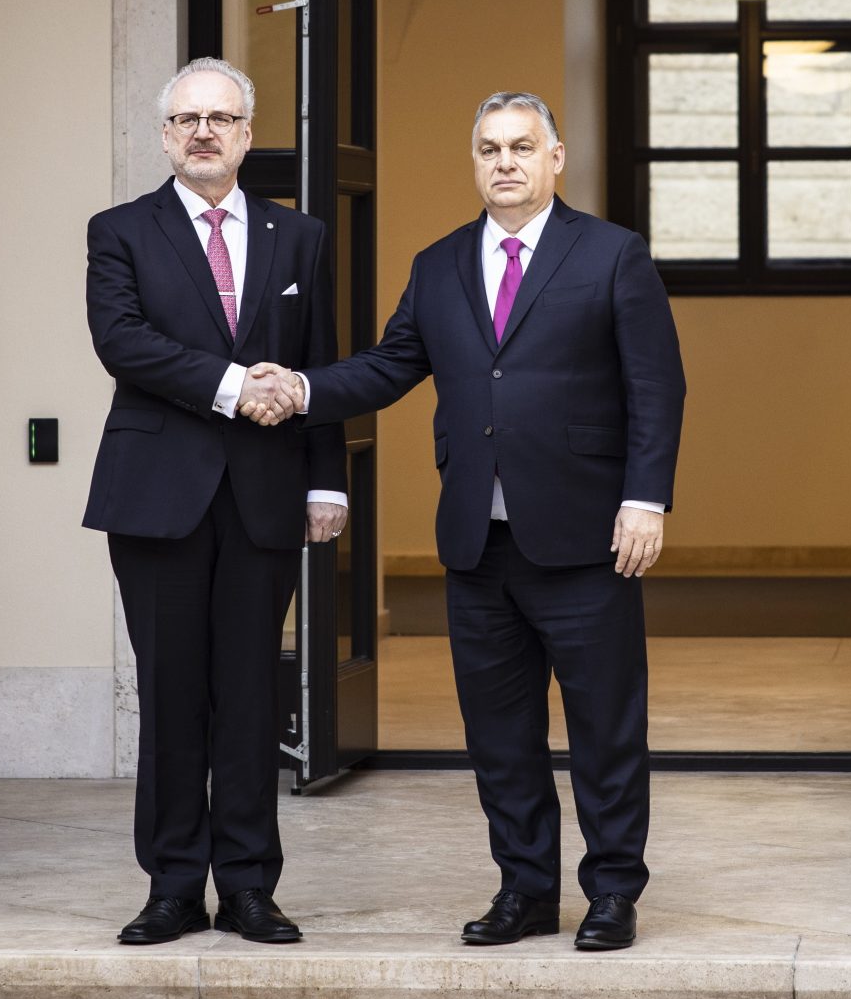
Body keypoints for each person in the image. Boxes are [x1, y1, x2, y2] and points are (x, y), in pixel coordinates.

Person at [249, 90, 684, 952]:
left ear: (557, 156)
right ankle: (524, 888)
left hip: (588, 534)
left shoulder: (611, 255)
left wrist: (646, 497)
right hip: (477, 542)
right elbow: (386, 366)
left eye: (523, 146)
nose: (506, 162)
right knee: (499, 734)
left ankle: (611, 892)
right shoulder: (440, 262)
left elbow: (656, 386)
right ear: (474, 160)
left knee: (605, 726)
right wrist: (302, 387)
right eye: (489, 148)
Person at [81, 58, 345, 946]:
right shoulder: (119, 231)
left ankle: (248, 887)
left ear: (246, 133)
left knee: (249, 699)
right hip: (157, 498)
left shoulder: (298, 236)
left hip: (265, 497)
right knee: (171, 695)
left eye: (221, 118)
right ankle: (169, 886)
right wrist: (236, 386)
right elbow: (124, 343)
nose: (203, 131)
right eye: (187, 118)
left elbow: (317, 360)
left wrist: (326, 479)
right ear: (165, 135)